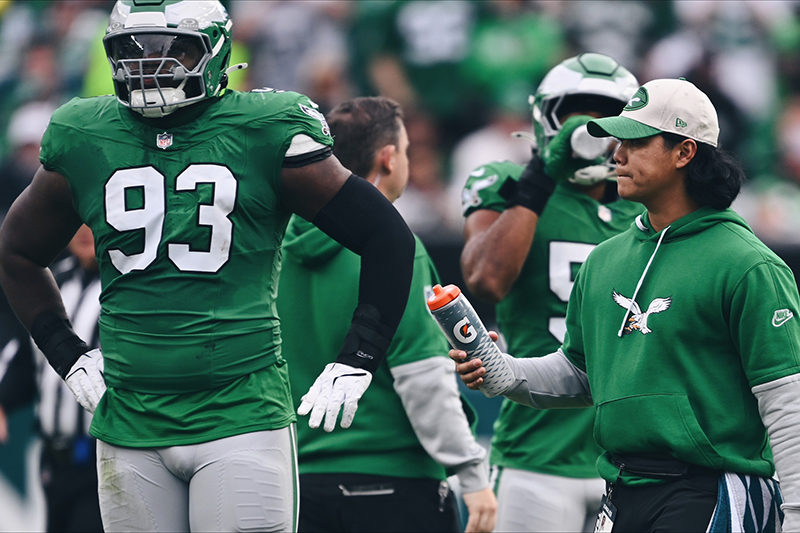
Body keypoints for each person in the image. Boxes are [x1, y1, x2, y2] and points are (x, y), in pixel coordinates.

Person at [0, 1, 416, 532]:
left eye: (170, 49)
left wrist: (359, 355)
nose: (149, 66)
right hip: (130, 418)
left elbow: (387, 236)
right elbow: (15, 252)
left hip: (239, 412)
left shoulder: (264, 126)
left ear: (216, 52)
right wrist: (68, 354)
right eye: (134, 50)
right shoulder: (86, 133)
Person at [453, 78, 800, 532]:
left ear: (684, 152)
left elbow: (787, 402)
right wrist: (504, 373)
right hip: (621, 488)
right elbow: (579, 373)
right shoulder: (605, 259)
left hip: (711, 488)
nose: (615, 154)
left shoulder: (748, 264)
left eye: (635, 141)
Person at [277, 96, 497, 533]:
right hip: (393, 490)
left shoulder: (272, 250)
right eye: (408, 151)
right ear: (389, 157)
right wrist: (472, 475)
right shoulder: (397, 249)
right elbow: (422, 377)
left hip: (294, 489)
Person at [459, 52, 641, 532]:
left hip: (628, 461)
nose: (590, 131)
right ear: (545, 118)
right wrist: (541, 177)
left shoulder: (644, 208)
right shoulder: (509, 182)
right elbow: (485, 280)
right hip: (536, 455)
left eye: (608, 119)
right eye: (576, 115)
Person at [0, 224, 102, 533]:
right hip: (55, 464)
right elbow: (25, 364)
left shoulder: (129, 289)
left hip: (105, 459)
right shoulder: (49, 282)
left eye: (91, 218)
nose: (83, 229)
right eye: (75, 218)